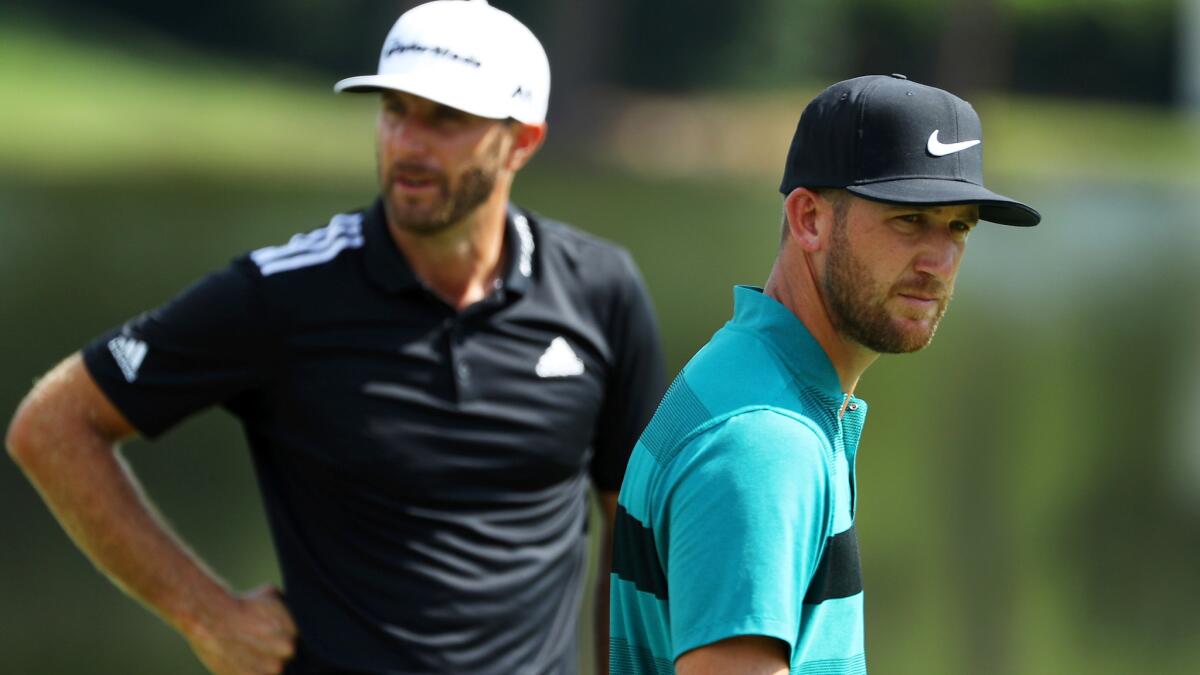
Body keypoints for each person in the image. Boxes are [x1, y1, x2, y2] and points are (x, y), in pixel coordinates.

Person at [6, 1, 666, 673]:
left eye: (446, 119)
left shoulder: (599, 290)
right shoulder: (284, 295)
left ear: (522, 141)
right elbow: (54, 425)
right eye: (394, 111)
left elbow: (635, 521)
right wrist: (205, 612)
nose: (407, 143)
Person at [608, 74, 1041, 674]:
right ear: (809, 219)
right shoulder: (763, 444)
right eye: (909, 220)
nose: (940, 261)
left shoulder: (756, 379)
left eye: (959, 226)